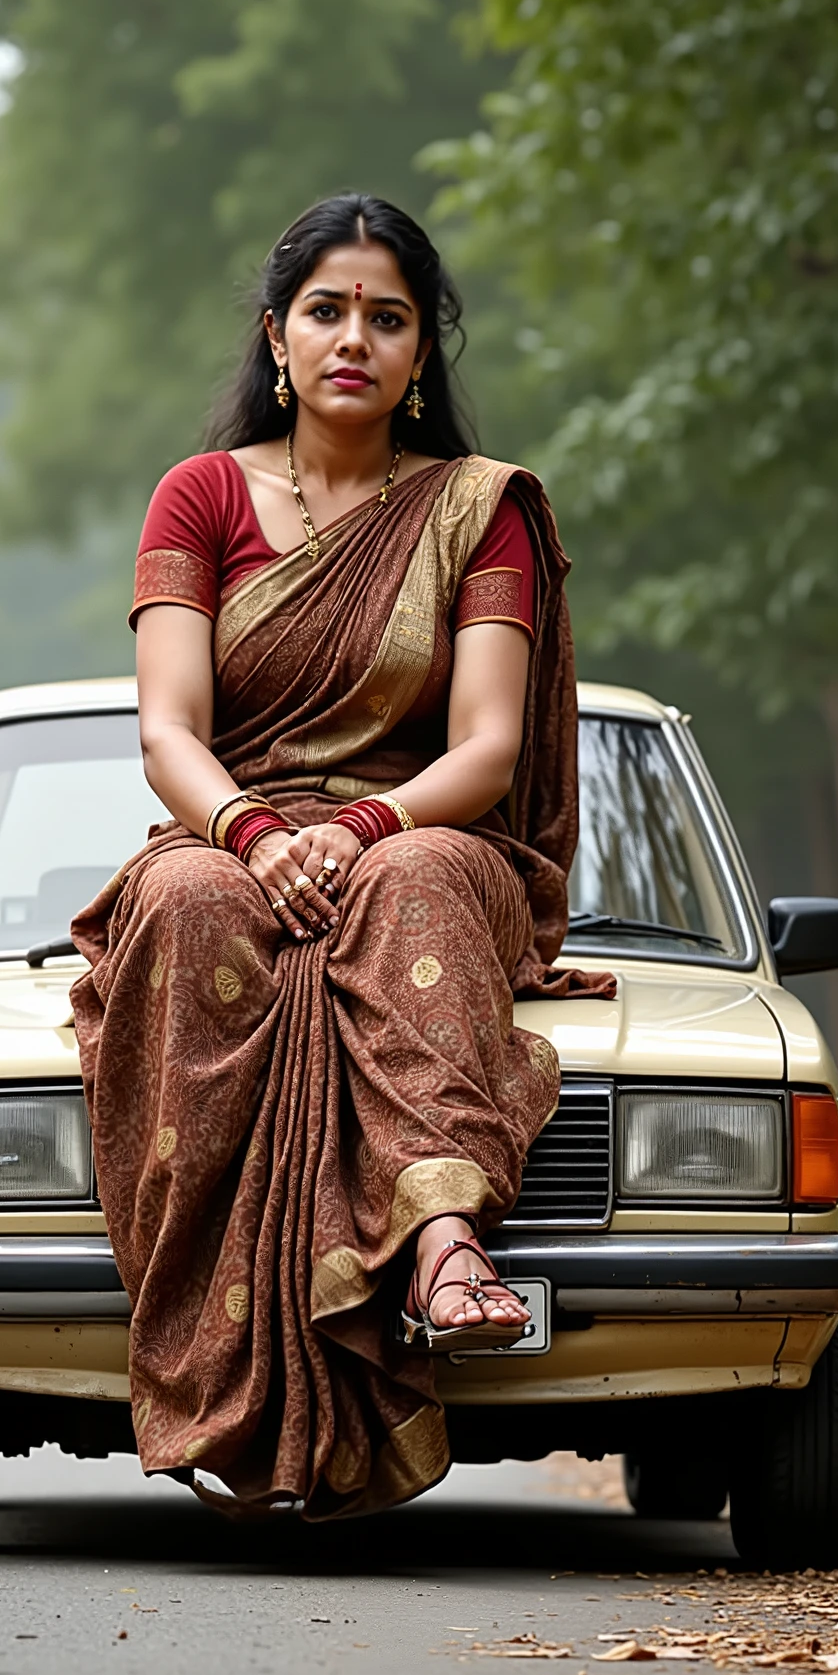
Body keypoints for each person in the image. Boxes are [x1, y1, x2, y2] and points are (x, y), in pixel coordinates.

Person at [70, 192, 614, 1519]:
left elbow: (485, 749)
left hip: (419, 827)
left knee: (418, 881)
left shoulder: (476, 511)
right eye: (327, 311)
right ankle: (210, 1309)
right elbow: (168, 731)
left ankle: (442, 1247)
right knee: (191, 906)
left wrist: (360, 825)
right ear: (277, 335)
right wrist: (256, 832)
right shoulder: (200, 496)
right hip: (226, 826)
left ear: (424, 351)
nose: (354, 338)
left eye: (389, 316)